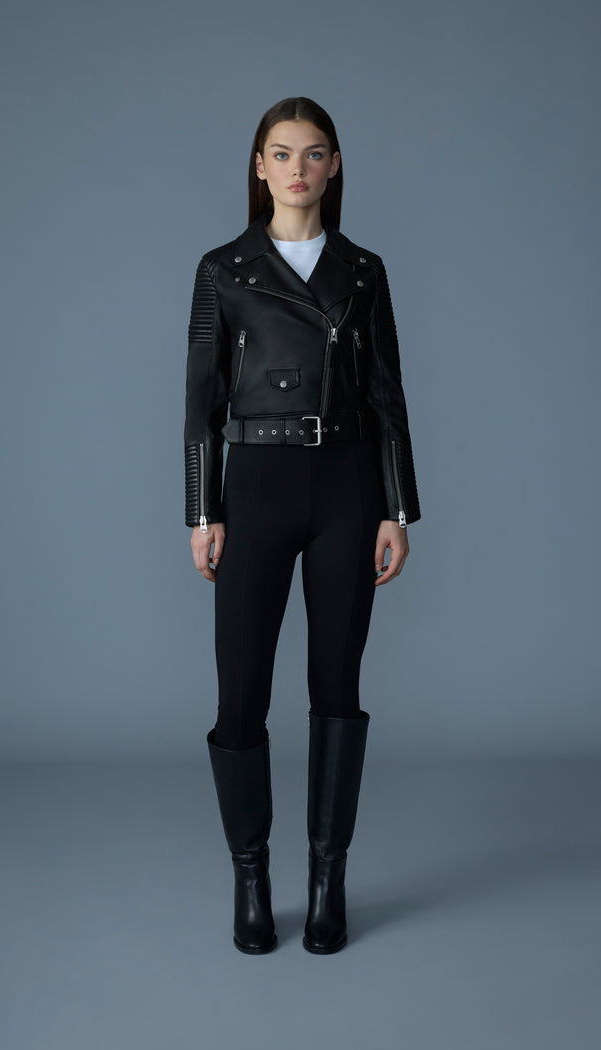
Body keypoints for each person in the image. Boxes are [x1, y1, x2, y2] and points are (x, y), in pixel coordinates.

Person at [184, 97, 421, 955]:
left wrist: (396, 508)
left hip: (346, 487)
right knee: (240, 693)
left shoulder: (364, 271)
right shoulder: (223, 269)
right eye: (281, 153)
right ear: (259, 166)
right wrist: (202, 510)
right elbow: (200, 401)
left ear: (334, 167)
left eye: (314, 153)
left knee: (336, 689)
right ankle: (251, 878)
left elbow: (388, 393)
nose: (297, 168)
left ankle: (328, 880)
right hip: (255, 486)